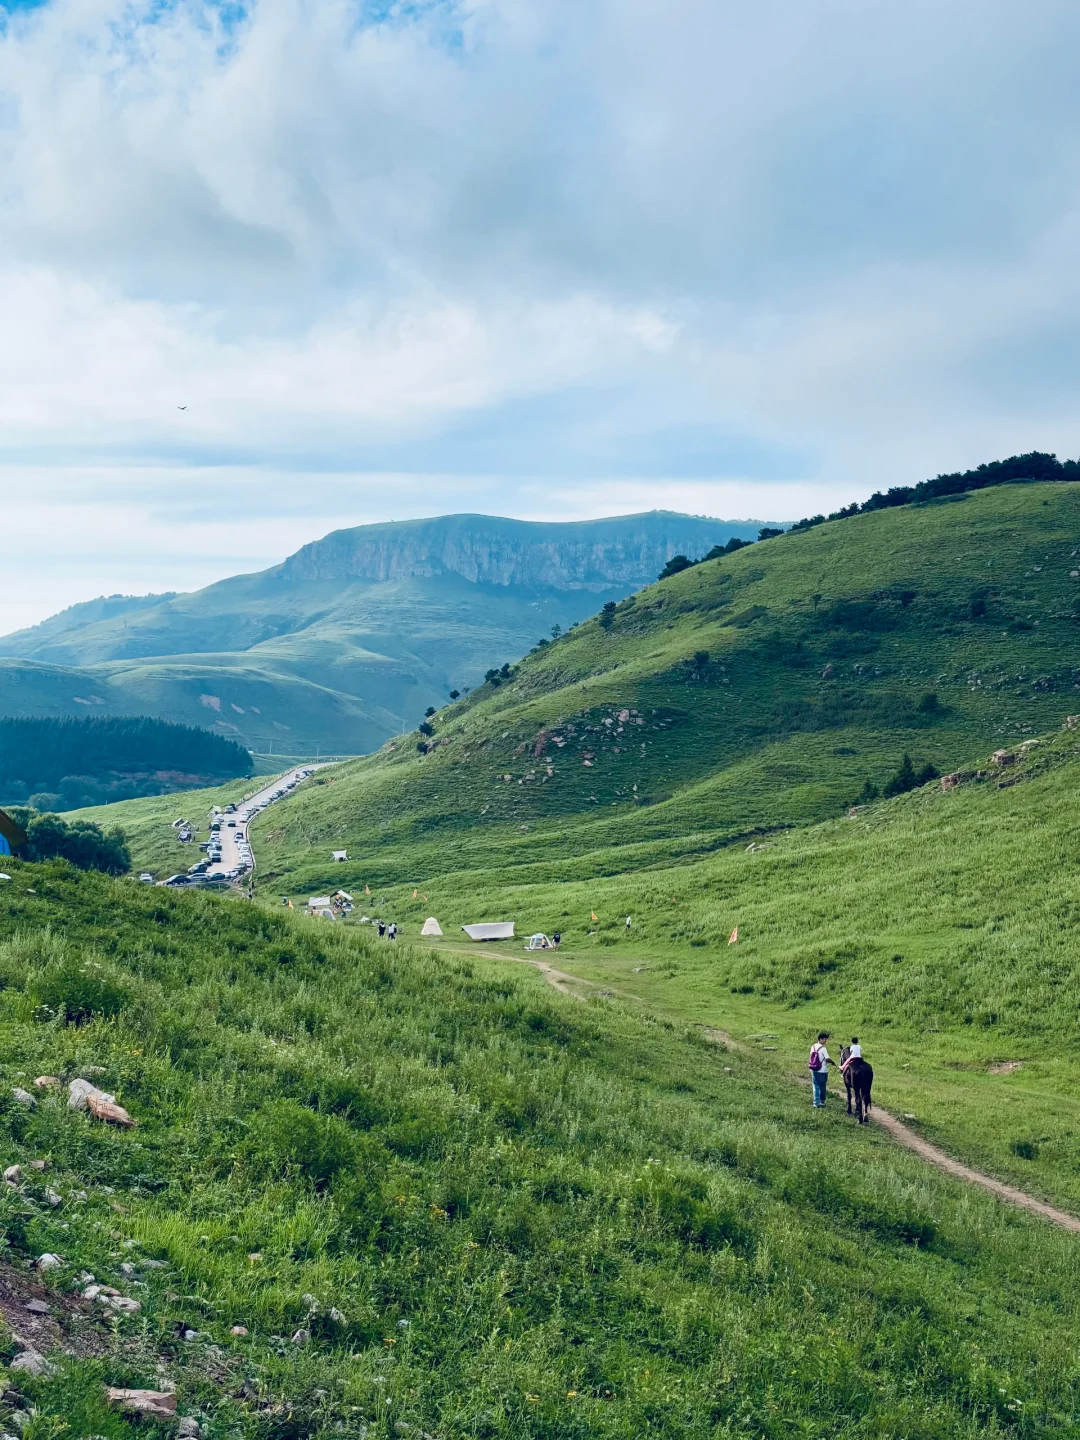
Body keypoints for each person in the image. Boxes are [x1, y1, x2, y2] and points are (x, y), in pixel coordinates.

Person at [808, 1032, 834, 1108]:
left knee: (815, 1085)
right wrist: (832, 1062)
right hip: (822, 1070)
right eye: (825, 1039)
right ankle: (822, 1101)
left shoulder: (813, 1046)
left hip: (813, 1068)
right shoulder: (823, 1048)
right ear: (820, 1039)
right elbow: (827, 1059)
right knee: (822, 1086)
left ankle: (816, 1102)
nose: (825, 1041)